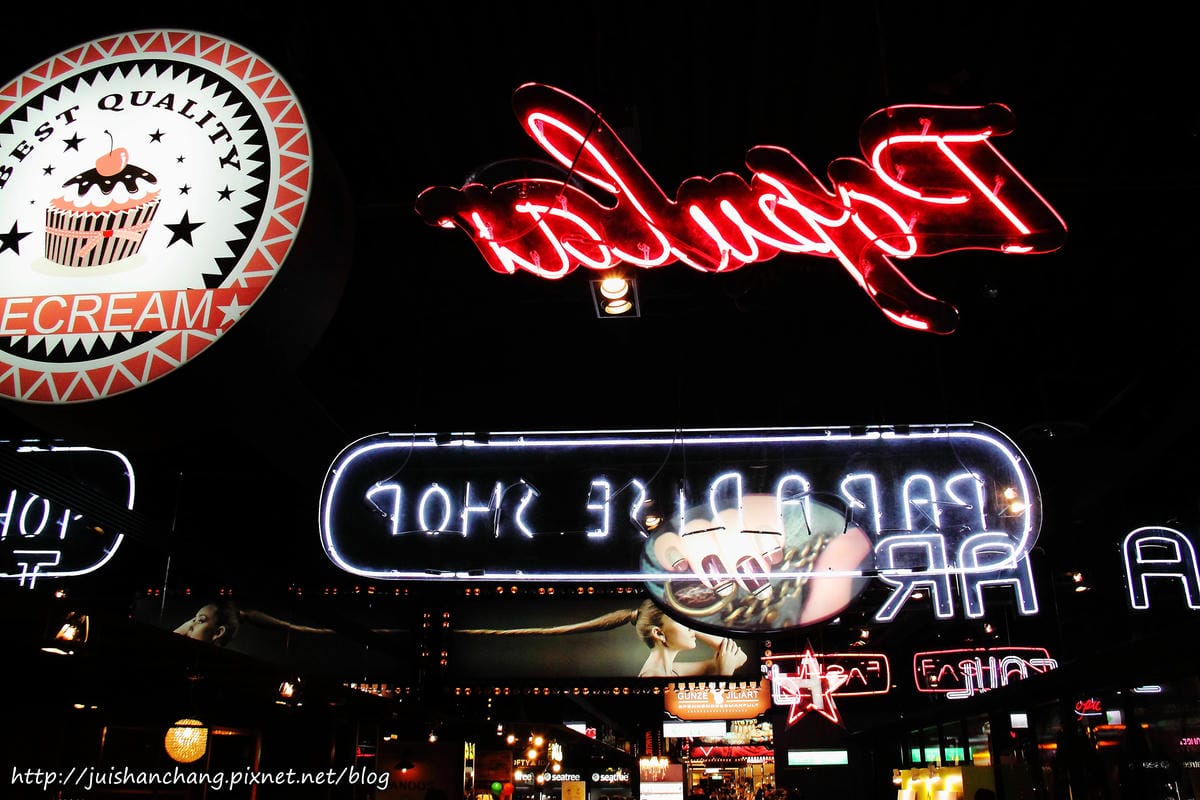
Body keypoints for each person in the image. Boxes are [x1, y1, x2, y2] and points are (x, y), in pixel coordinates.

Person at [455, 598, 748, 677]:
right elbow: (729, 662)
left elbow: (739, 657)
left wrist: (686, 623)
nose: (690, 627)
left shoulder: (670, 670)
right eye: (683, 623)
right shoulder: (653, 677)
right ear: (658, 633)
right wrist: (723, 673)